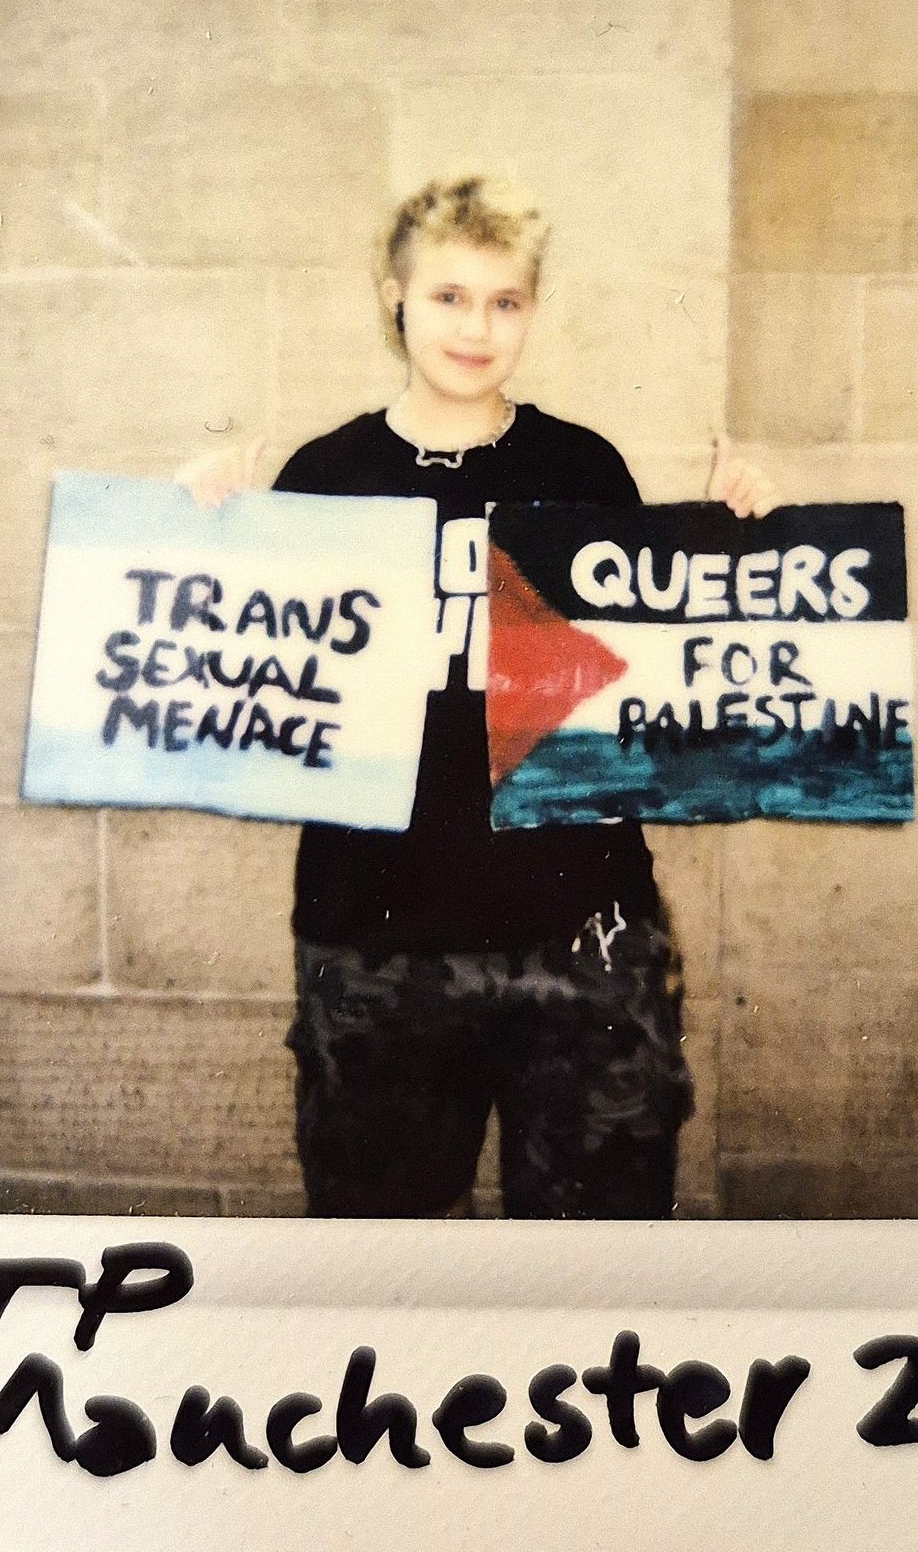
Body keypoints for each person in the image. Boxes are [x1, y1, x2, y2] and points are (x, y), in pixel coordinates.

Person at [178, 174, 778, 1219]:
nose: (476, 328)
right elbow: (237, 693)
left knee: (598, 1260)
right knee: (385, 1251)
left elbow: (660, 683)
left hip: (582, 938)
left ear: (532, 310)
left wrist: (745, 543)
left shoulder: (583, 467)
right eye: (449, 296)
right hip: (376, 943)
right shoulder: (326, 476)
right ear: (395, 298)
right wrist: (197, 533)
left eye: (505, 302)